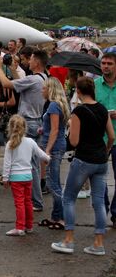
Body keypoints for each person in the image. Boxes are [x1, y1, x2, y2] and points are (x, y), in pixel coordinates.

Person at [51, 77, 114, 255]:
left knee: (69, 198)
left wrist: (71, 125)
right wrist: (106, 151)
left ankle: (69, 240)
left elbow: (74, 141)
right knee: (99, 202)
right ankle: (98, 243)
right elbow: (111, 136)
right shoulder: (102, 109)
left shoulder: (78, 111)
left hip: (84, 160)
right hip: (101, 160)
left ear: (77, 91)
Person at [0, 49, 48, 212]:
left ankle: (36, 201)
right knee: (34, 163)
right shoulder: (43, 77)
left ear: (37, 62)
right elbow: (22, 85)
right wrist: (12, 69)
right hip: (37, 121)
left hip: (28, 122)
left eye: (31, 59)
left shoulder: (33, 79)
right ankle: (37, 200)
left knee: (30, 163)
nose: (28, 62)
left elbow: (7, 84)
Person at [3, 115, 50, 236]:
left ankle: (19, 227)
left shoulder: (10, 144)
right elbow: (41, 155)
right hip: (28, 177)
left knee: (19, 203)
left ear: (10, 128)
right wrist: (48, 158)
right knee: (28, 202)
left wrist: (5, 178)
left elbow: (7, 163)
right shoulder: (30, 142)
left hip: (15, 178)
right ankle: (29, 226)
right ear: (25, 127)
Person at [38, 77, 70, 230]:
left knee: (53, 184)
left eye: (44, 88)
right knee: (54, 181)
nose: (41, 90)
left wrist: (47, 150)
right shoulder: (59, 105)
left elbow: (55, 130)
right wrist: (43, 129)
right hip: (57, 144)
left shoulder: (52, 106)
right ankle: (56, 216)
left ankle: (62, 217)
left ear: (50, 89)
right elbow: (55, 127)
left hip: (54, 147)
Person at [95, 53, 116, 227]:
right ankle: (104, 208)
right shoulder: (94, 86)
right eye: (103, 63)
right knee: (100, 179)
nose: (106, 66)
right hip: (99, 139)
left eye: (109, 63)